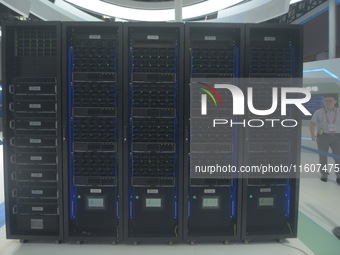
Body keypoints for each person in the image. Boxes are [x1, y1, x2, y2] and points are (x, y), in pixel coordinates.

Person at [309, 95, 340, 183]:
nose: (327, 102)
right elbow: (312, 123)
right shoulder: (318, 112)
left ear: (335, 102)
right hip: (323, 136)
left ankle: (339, 176)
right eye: (326, 101)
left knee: (338, 157)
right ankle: (324, 174)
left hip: (337, 137)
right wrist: (312, 134)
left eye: (330, 100)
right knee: (323, 156)